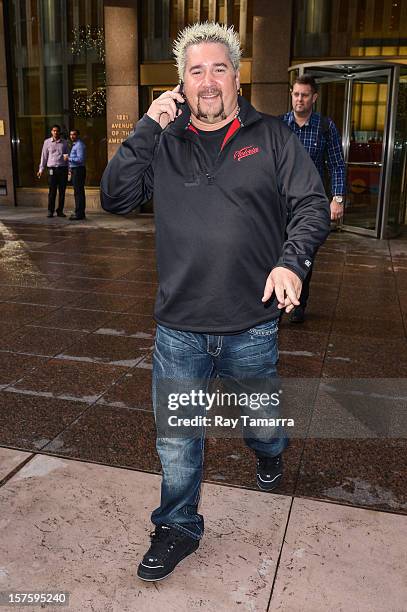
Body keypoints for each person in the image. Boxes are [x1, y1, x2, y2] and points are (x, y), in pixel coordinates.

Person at [101, 22, 330, 581]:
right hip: (178, 327)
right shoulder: (164, 139)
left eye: (219, 68)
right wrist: (147, 128)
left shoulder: (273, 135)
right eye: (196, 71)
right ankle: (178, 526)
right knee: (178, 439)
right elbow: (115, 198)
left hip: (251, 324)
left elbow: (311, 205)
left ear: (237, 76)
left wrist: (290, 260)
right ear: (181, 83)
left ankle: (270, 450)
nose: (208, 81)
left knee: (261, 421)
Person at [281, 75, 346, 323]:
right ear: (291, 94)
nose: (299, 99)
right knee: (275, 251)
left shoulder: (325, 127)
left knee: (302, 252)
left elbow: (337, 165)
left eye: (305, 95)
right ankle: (275, 303)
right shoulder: (279, 126)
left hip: (309, 205)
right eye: (296, 94)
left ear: (314, 98)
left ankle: (298, 304)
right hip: (280, 203)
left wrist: (337, 198)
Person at [37, 124, 69, 218]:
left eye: (57, 131)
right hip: (52, 170)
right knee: (52, 191)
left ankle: (60, 211)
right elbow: (44, 156)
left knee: (62, 192)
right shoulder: (47, 142)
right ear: (51, 132)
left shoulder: (64, 143)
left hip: (62, 169)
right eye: (54, 131)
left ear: (59, 132)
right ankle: (50, 211)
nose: (55, 132)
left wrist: (69, 169)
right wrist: (41, 169)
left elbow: (67, 156)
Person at [68, 129, 87, 220]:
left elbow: (80, 160)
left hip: (78, 170)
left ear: (78, 135)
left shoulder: (79, 145)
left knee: (78, 192)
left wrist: (68, 158)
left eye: (74, 134)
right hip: (75, 170)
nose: (72, 136)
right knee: (78, 192)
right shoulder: (75, 145)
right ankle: (79, 212)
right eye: (71, 134)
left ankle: (79, 214)